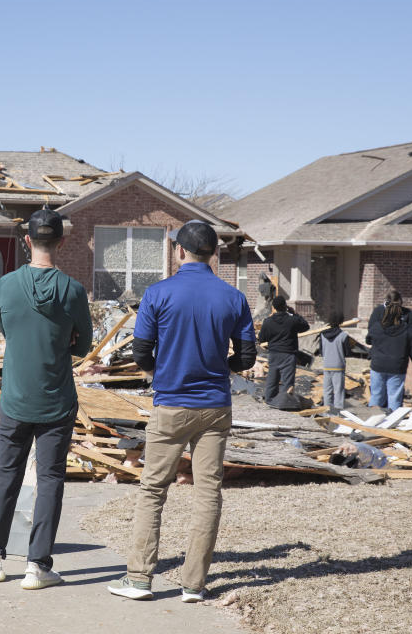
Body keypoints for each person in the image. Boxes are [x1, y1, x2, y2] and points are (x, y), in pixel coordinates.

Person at [107, 219, 256, 603]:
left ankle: (139, 579)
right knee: (208, 492)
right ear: (215, 254)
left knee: (153, 490)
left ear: (178, 251)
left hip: (171, 403)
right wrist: (220, 368)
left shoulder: (157, 293)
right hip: (215, 406)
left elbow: (140, 352)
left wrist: (163, 370)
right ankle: (193, 584)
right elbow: (248, 357)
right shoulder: (234, 297)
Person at [0, 209, 92, 590]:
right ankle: (37, 566)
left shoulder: (5, 285)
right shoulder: (72, 291)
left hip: (16, 398)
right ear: (62, 242)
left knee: (6, 475)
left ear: (27, 241)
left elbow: (6, 328)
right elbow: (83, 346)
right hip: (56, 400)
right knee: (51, 479)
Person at [366, 290, 412, 411]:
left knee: (376, 395)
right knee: (394, 397)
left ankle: (373, 422)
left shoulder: (377, 327)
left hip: (378, 364)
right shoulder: (405, 330)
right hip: (397, 365)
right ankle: (392, 421)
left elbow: (369, 339)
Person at [258, 296, 309, 408]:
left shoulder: (268, 322)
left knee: (272, 378)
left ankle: (270, 399)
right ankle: (286, 402)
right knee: (287, 381)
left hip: (274, 354)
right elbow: (306, 326)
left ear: (274, 307)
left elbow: (261, 339)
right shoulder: (292, 320)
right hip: (288, 354)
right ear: (285, 306)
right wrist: (294, 313)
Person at [319, 311, 363, 414]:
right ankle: (338, 411)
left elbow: (321, 351)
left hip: (327, 365)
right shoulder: (343, 335)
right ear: (341, 321)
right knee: (338, 390)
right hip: (338, 365)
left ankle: (327, 410)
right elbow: (347, 352)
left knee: (327, 390)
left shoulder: (322, 335)